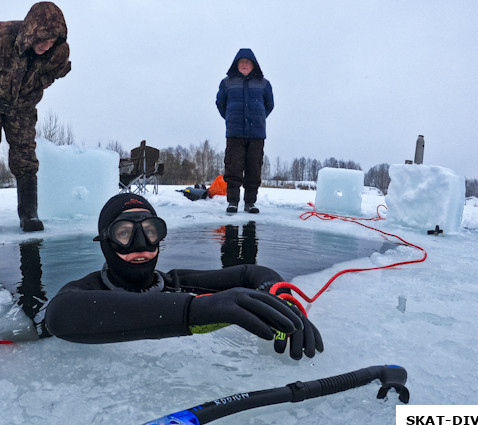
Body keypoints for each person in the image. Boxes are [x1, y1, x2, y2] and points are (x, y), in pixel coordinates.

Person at [43, 193, 323, 360]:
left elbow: (250, 273)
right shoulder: (85, 292)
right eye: (125, 233)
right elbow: (59, 315)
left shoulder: (174, 282)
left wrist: (280, 296)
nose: (141, 244)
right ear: (105, 241)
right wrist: (196, 310)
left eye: (150, 231)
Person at [0, 1, 71, 235]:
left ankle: (29, 214)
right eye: (43, 40)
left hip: (22, 105)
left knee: (25, 154)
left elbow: (57, 72)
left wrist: (38, 84)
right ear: (31, 32)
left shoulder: (59, 51)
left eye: (53, 41)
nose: (47, 45)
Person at [215, 48, 274, 214]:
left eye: (247, 62)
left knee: (253, 169)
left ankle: (250, 203)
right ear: (236, 65)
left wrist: (259, 118)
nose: (244, 65)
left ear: (254, 65)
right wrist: (230, 117)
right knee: (233, 168)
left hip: (257, 134)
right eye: (241, 62)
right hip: (235, 134)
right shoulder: (227, 82)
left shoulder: (264, 84)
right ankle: (232, 202)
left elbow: (269, 105)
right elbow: (220, 103)